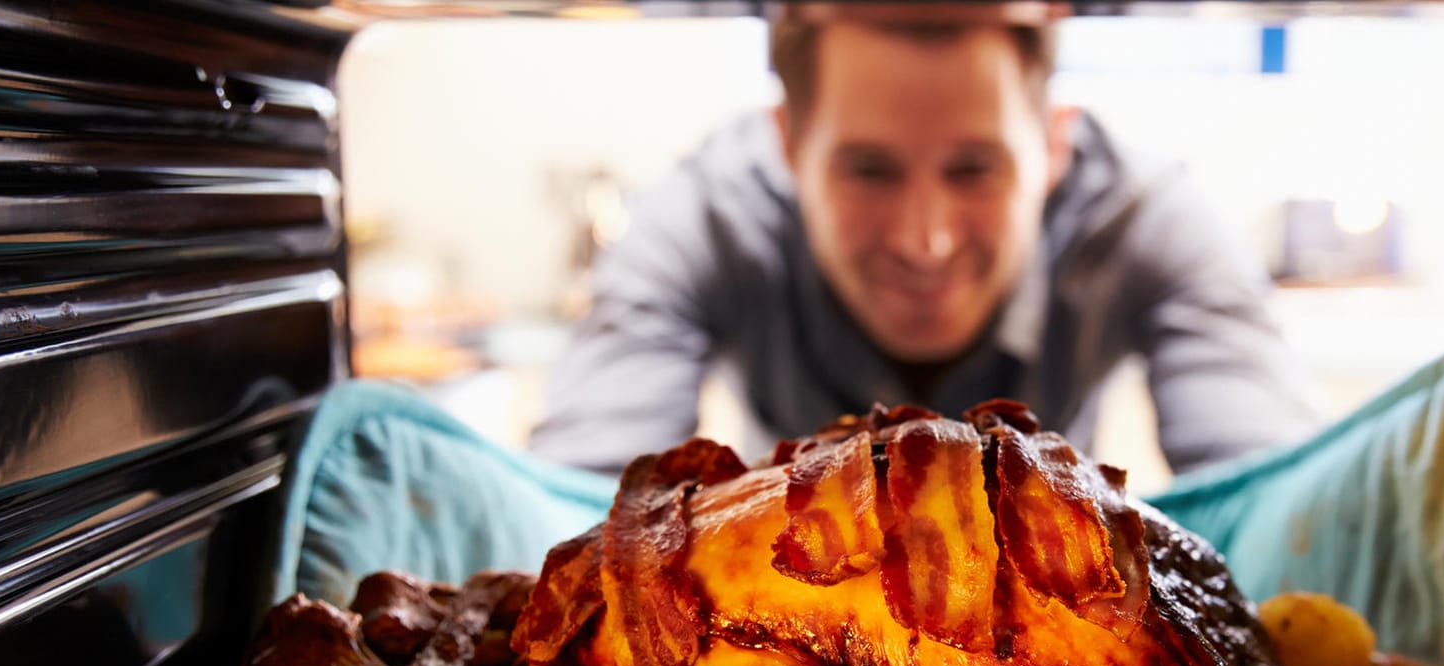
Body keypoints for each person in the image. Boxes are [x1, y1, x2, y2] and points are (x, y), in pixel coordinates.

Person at [530, 4, 1321, 476]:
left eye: (975, 169)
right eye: (869, 171)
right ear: (788, 147)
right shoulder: (704, 218)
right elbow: (585, 498)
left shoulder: (1142, 218)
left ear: (1053, 148)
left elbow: (1270, 486)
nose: (927, 240)